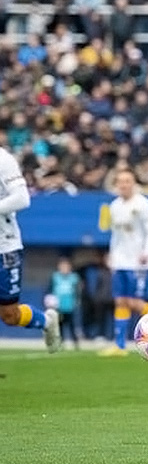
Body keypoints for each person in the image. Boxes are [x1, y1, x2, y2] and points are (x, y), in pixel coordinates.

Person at [0, 146, 60, 352]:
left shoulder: (3, 160)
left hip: (4, 247)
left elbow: (22, 198)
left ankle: (45, 321)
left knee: (9, 315)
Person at [99, 168, 148, 356]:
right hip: (120, 260)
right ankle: (119, 345)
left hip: (138, 261)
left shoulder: (143, 204)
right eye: (120, 181)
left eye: (127, 181)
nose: (124, 185)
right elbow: (115, 235)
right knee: (120, 301)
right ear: (116, 185)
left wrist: (147, 252)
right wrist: (112, 255)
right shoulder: (115, 205)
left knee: (134, 302)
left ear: (133, 183)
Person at [48, 256, 81, 350]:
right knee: (59, 326)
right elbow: (49, 290)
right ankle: (60, 343)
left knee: (72, 325)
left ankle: (76, 344)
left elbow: (77, 291)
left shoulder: (74, 277)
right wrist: (50, 301)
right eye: (62, 266)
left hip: (70, 305)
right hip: (58, 306)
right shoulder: (55, 277)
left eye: (66, 266)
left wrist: (77, 301)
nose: (64, 268)